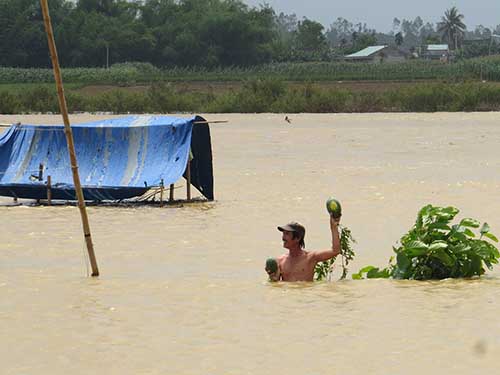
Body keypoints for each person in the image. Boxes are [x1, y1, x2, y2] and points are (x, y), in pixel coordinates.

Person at [266, 216, 341, 282]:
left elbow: (335, 250)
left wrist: (333, 227)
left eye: (287, 234)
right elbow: (277, 285)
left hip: (306, 296)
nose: (283, 238)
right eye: (283, 234)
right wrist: (273, 278)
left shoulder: (310, 258)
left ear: (297, 238)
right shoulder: (280, 261)